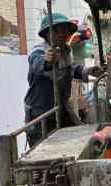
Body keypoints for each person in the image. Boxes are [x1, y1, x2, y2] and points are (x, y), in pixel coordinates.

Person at [23, 13, 105, 147]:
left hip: (63, 110)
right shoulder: (39, 51)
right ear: (46, 34)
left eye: (64, 30)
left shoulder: (67, 52)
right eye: (55, 31)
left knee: (82, 142)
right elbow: (38, 65)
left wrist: (89, 71)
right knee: (44, 153)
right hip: (41, 115)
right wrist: (47, 61)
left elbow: (72, 69)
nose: (60, 34)